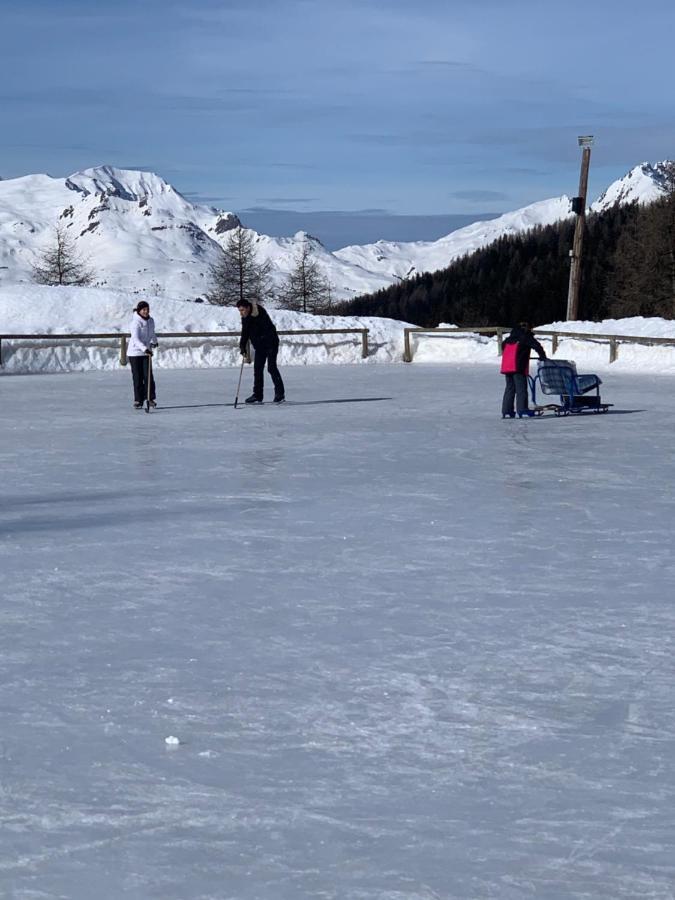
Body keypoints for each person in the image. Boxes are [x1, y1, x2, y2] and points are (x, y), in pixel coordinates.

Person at [237, 299, 285, 403]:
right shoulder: (245, 318)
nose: (241, 313)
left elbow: (265, 328)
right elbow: (245, 332)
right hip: (259, 346)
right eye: (239, 311)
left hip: (271, 343)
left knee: (271, 368)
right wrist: (242, 346)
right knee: (257, 369)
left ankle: (280, 393)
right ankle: (257, 395)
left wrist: (251, 321)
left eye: (242, 310)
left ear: (248, 308)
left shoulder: (259, 312)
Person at [501, 322, 547, 418]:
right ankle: (522, 409)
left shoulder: (510, 338)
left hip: (507, 366)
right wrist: (543, 357)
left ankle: (507, 410)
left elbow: (503, 346)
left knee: (510, 389)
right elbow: (537, 346)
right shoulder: (525, 337)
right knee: (521, 389)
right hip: (518, 367)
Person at [127, 300, 158, 409]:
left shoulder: (151, 321)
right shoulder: (135, 322)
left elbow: (152, 332)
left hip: (146, 353)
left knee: (148, 376)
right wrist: (145, 349)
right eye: (144, 309)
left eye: (147, 309)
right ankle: (138, 400)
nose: (146, 311)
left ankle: (150, 398)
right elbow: (135, 339)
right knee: (138, 377)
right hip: (135, 353)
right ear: (139, 310)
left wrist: (154, 341)